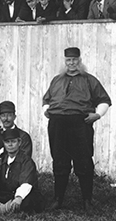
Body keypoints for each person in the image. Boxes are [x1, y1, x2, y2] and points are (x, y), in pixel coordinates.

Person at [43, 47, 111, 211]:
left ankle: (87, 200)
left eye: (74, 60)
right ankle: (58, 199)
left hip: (80, 124)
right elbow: (46, 99)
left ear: (79, 61)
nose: (71, 63)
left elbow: (104, 100)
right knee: (59, 161)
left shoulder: (89, 80)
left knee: (84, 161)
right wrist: (46, 110)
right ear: (65, 61)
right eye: (68, 60)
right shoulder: (57, 80)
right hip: (58, 124)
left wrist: (98, 114)